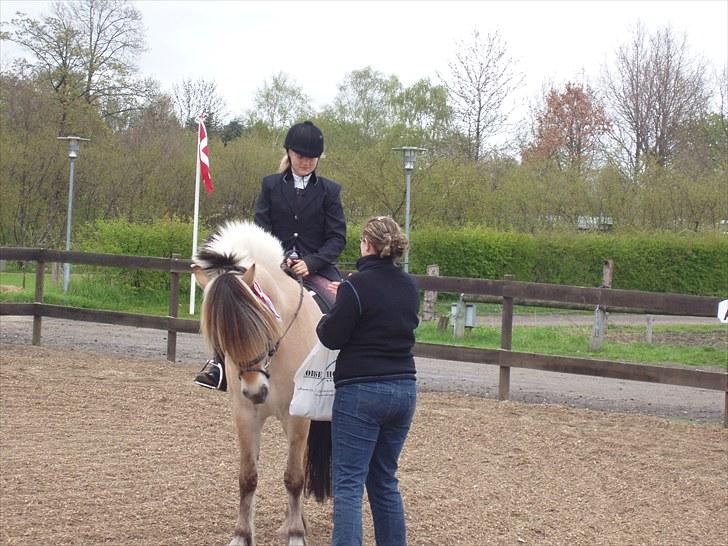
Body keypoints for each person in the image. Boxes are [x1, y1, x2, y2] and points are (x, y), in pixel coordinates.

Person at [195, 120, 347, 391]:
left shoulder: (329, 191)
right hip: (275, 265)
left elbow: (337, 238)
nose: (306, 163)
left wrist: (311, 263)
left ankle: (342, 370)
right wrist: (282, 257)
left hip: (317, 268)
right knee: (232, 299)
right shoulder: (271, 185)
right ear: (289, 153)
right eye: (301, 157)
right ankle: (219, 364)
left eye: (312, 158)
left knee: (340, 305)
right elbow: (261, 227)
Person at [316, 216, 419, 546]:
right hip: (404, 388)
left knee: (348, 482)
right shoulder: (409, 286)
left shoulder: (356, 286)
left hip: (361, 391)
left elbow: (332, 336)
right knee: (384, 479)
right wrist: (346, 293)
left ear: (368, 245)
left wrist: (335, 307)